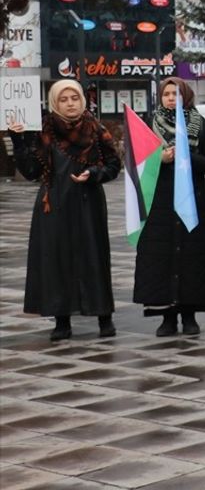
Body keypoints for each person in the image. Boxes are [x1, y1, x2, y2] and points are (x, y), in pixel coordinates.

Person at [9, 79, 120, 341]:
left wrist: (94, 173)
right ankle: (61, 319)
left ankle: (104, 316)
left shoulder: (96, 128)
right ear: (54, 103)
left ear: (82, 99)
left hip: (88, 203)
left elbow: (114, 166)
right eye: (63, 99)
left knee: (93, 258)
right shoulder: (44, 131)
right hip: (54, 204)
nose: (69, 104)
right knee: (56, 260)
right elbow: (32, 171)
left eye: (74, 98)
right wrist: (19, 141)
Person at [135, 77, 205, 337]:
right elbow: (135, 163)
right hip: (159, 203)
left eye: (177, 93)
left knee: (191, 258)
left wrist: (188, 156)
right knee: (161, 258)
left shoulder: (198, 124)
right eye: (166, 94)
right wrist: (158, 158)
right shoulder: (149, 126)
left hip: (191, 201)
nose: (171, 98)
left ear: (187, 96)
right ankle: (167, 318)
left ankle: (190, 315)